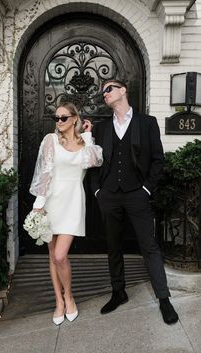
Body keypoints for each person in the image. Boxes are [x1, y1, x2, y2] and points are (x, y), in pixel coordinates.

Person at [90, 79, 179, 325]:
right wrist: (98, 190)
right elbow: (94, 162)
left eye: (109, 88)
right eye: (103, 91)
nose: (105, 93)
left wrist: (146, 189)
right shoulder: (102, 127)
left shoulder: (146, 123)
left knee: (148, 246)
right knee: (113, 245)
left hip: (137, 194)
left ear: (122, 91)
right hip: (109, 195)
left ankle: (164, 299)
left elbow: (158, 160)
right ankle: (119, 292)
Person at [29, 102, 103, 326]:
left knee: (61, 255)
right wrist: (39, 204)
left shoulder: (85, 143)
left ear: (74, 118)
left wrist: (88, 136)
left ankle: (69, 295)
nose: (59, 122)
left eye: (63, 118)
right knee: (53, 255)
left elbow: (94, 161)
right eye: (56, 118)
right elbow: (45, 172)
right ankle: (59, 302)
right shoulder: (50, 140)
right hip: (52, 199)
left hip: (73, 201)